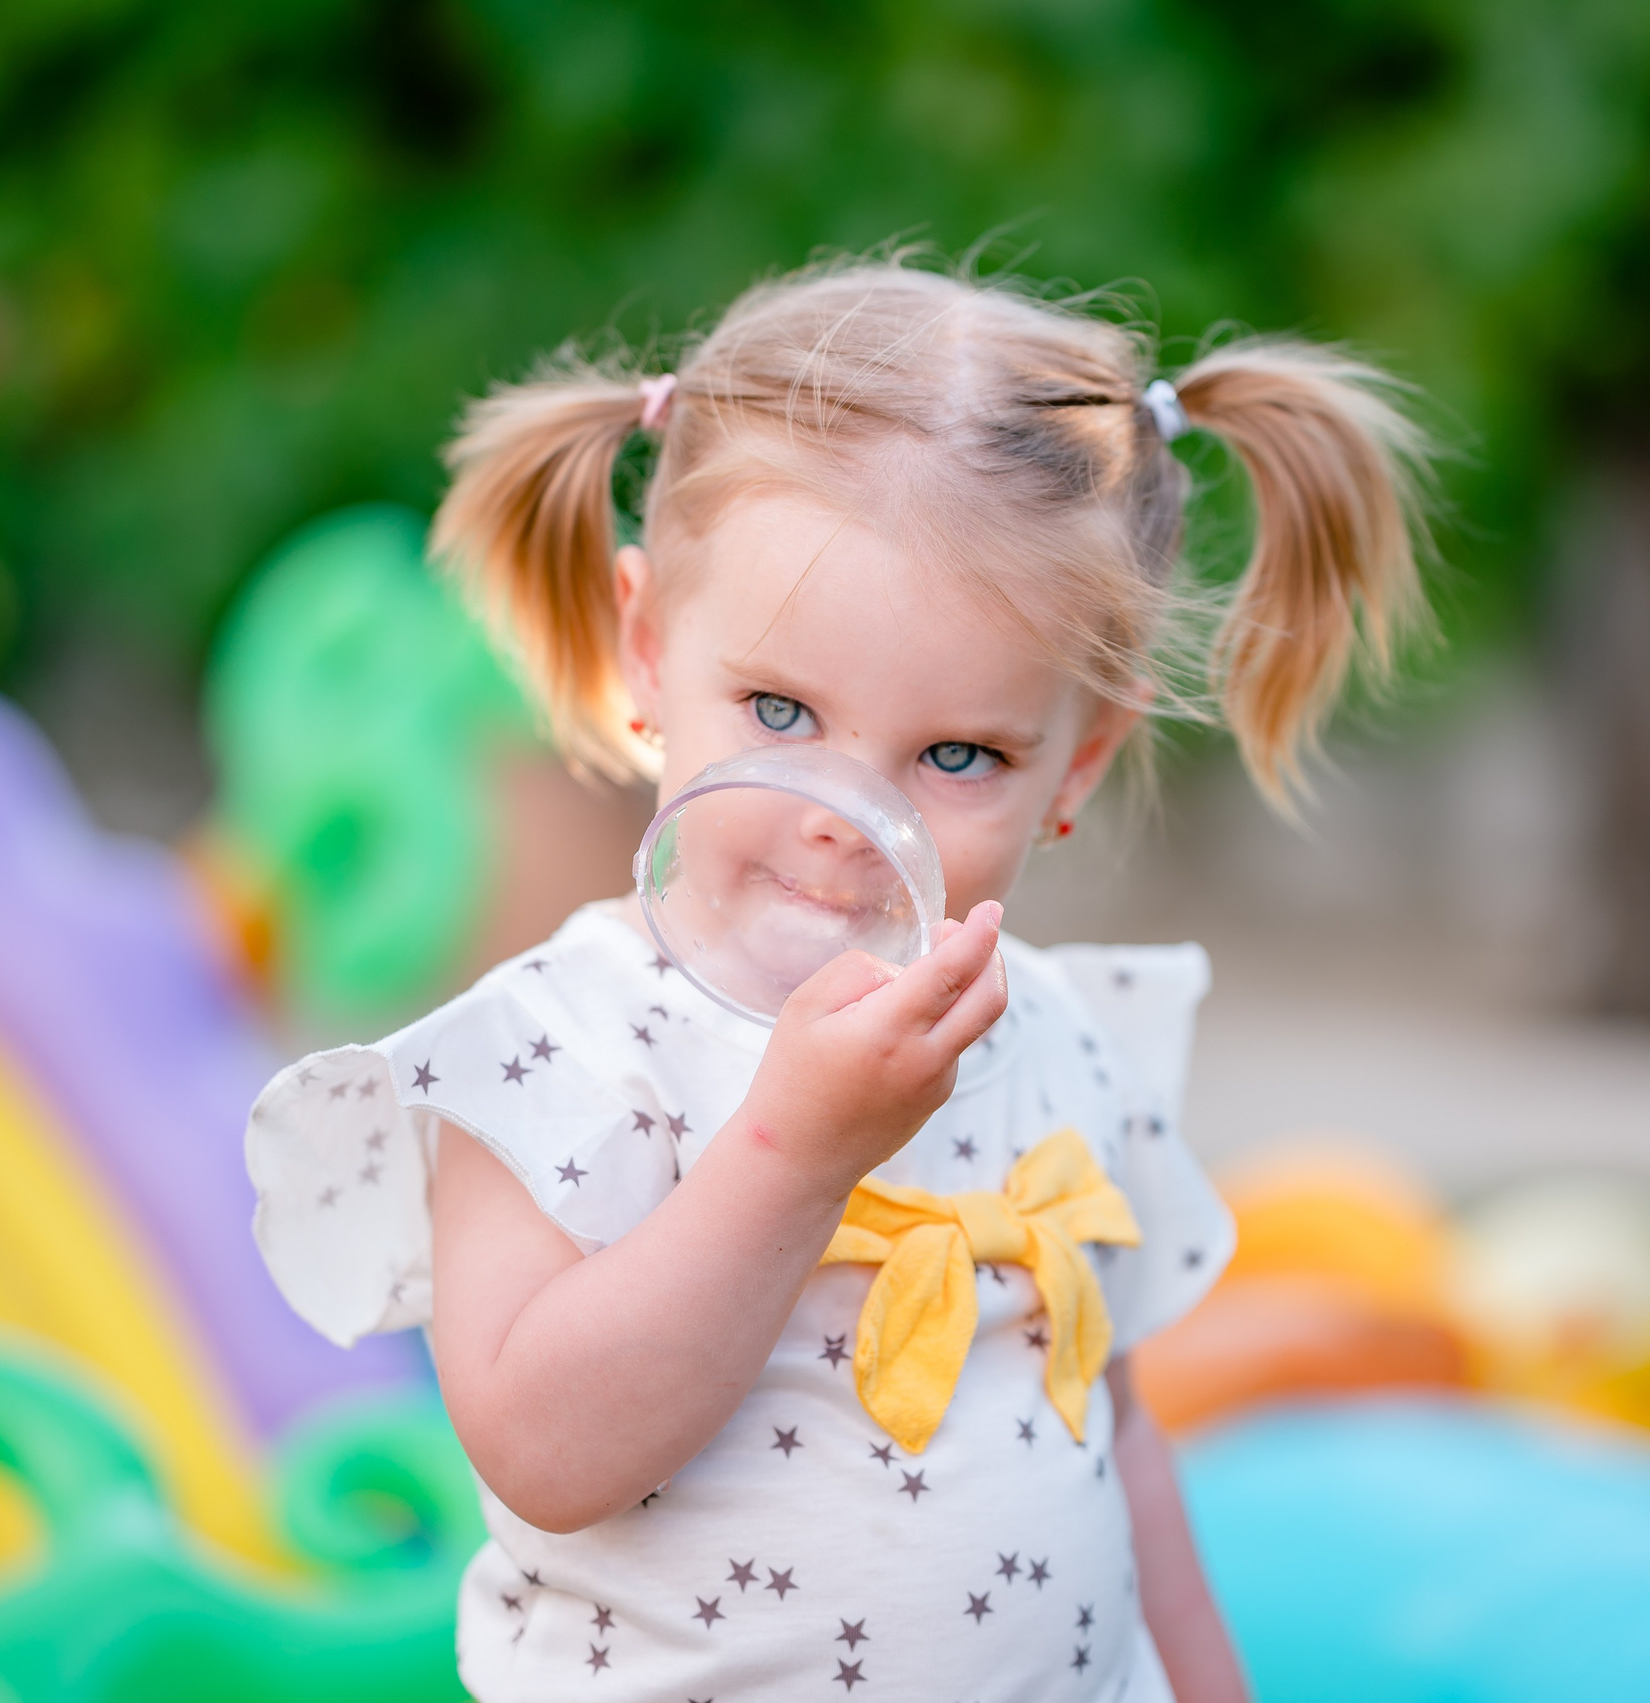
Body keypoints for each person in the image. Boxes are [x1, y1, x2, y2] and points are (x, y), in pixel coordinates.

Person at [246, 255, 1433, 1702]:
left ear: (1081, 762)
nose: (842, 814)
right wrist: (792, 1154)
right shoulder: (549, 1057)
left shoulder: (1057, 1040)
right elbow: (544, 1451)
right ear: (643, 650)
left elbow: (1117, 1439)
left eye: (956, 757)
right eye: (780, 711)